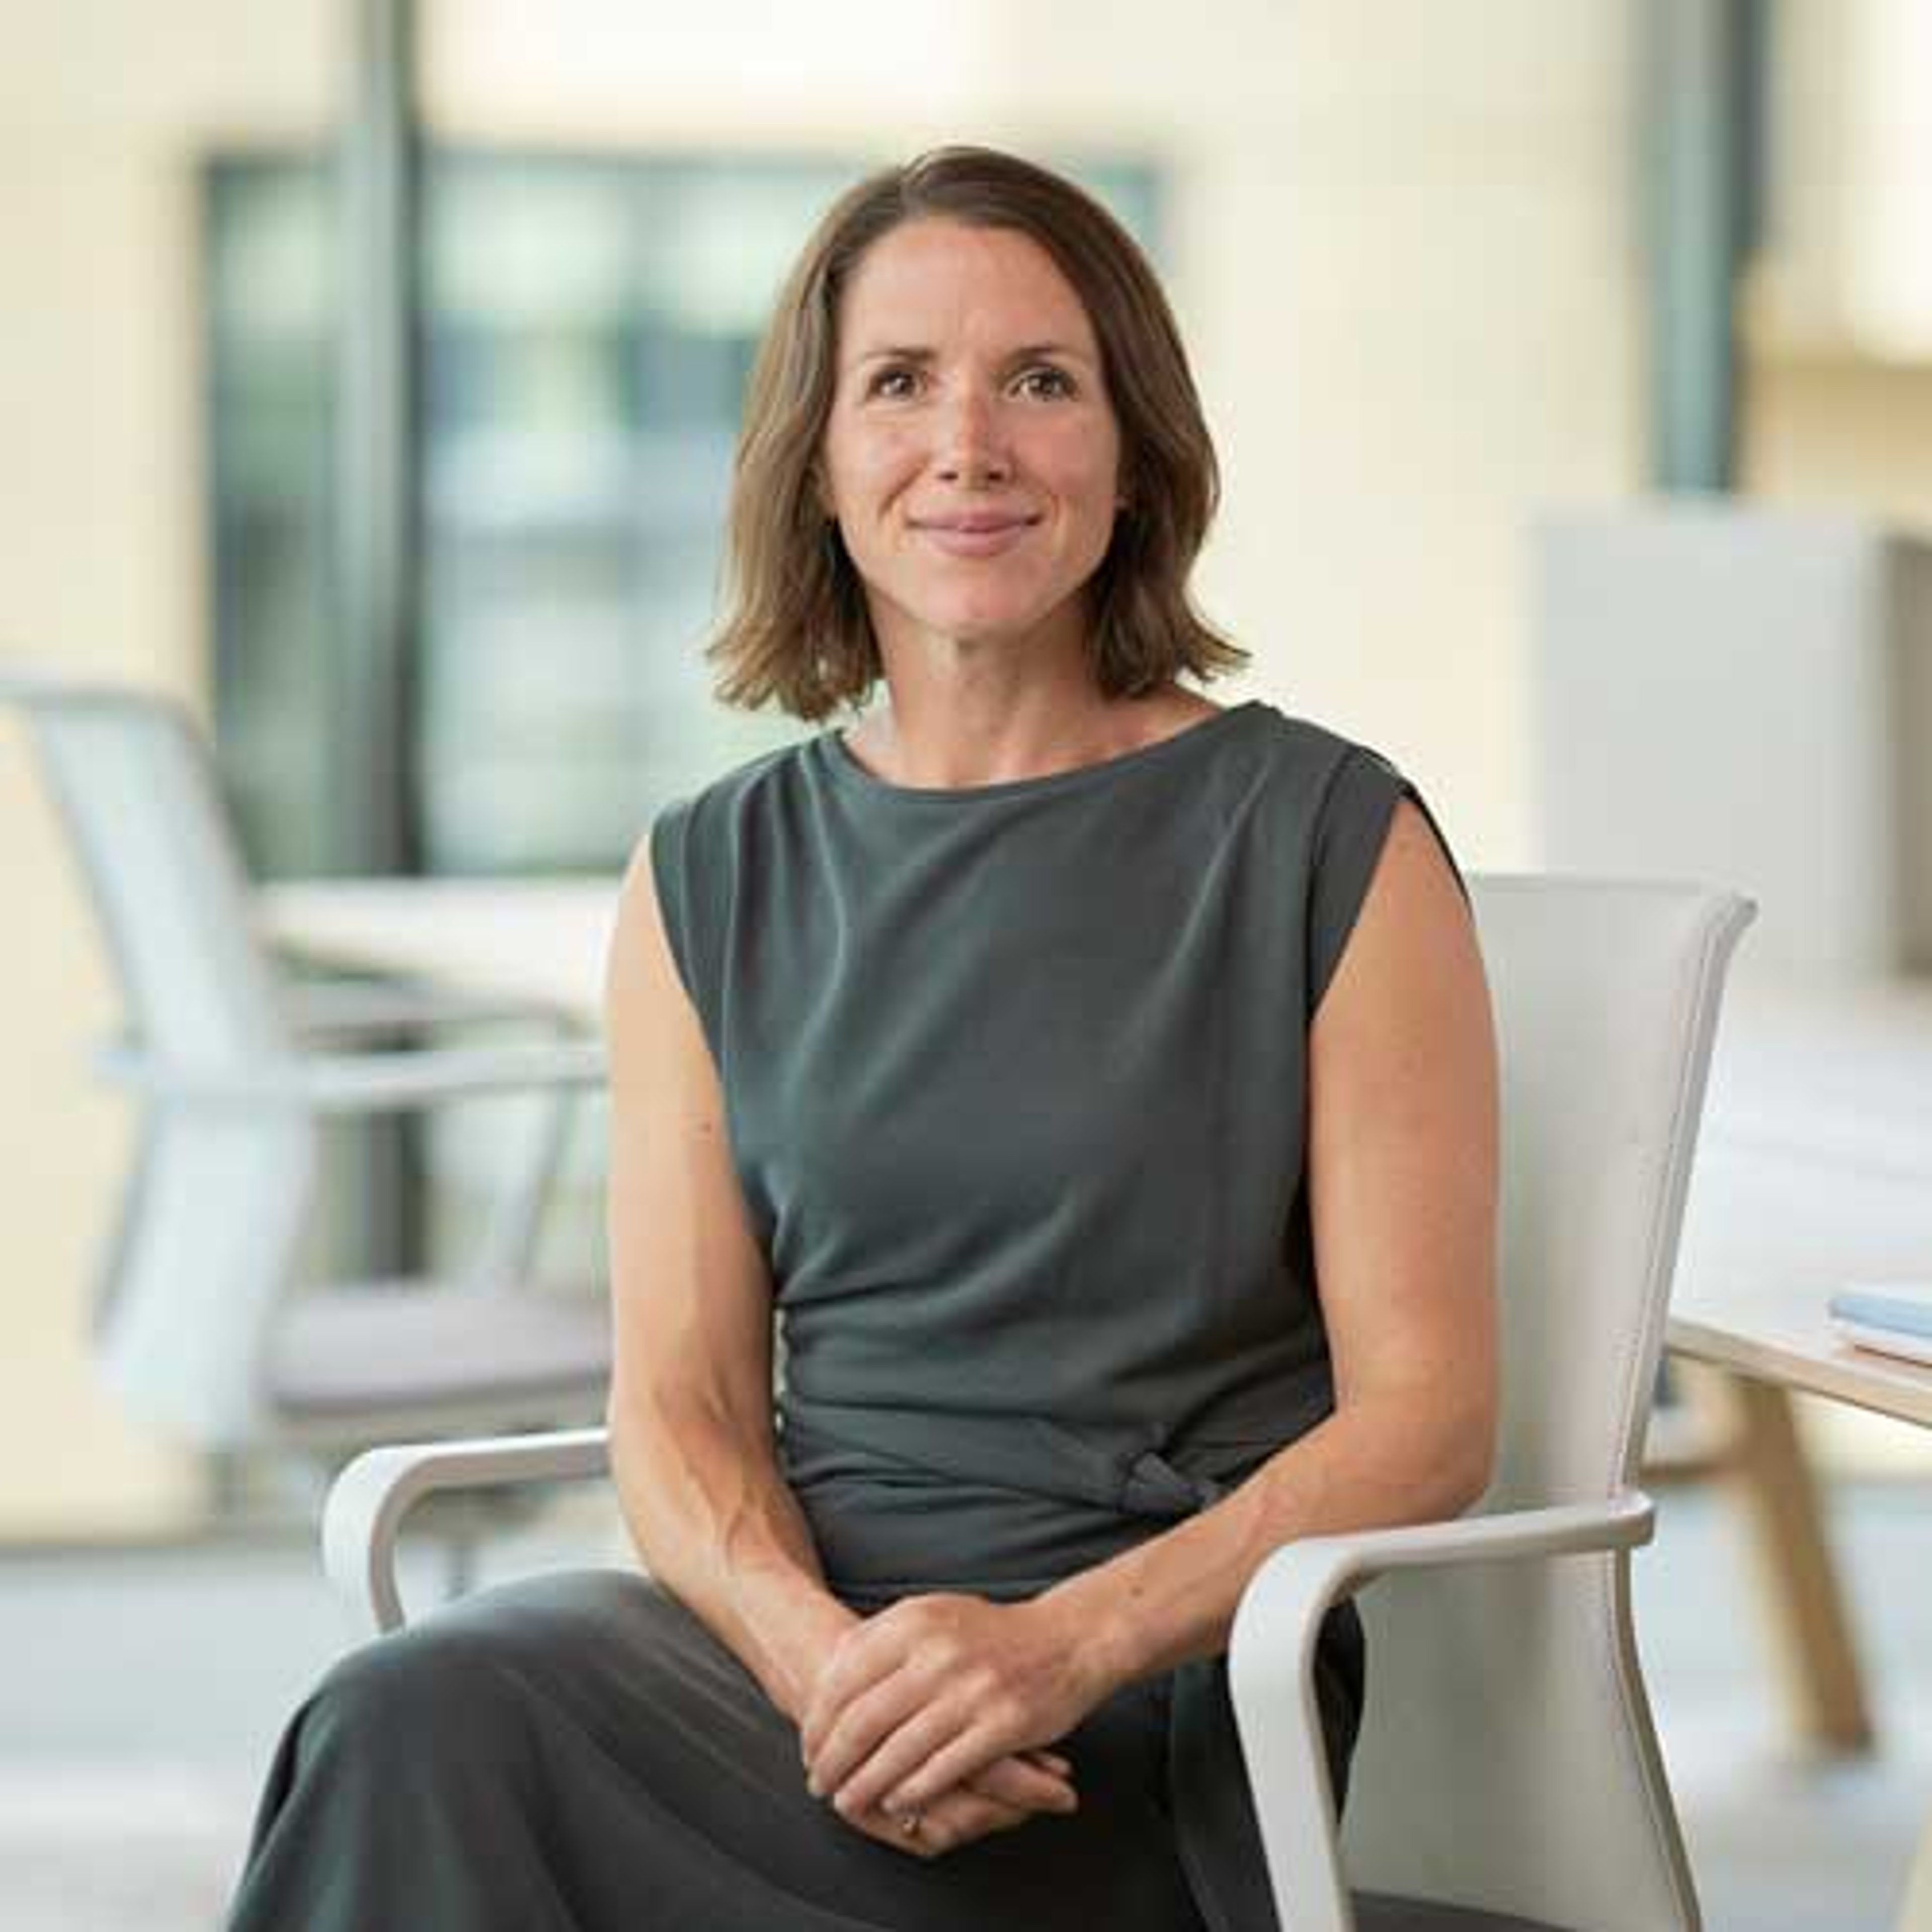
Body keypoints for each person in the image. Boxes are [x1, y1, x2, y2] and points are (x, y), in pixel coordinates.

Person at [225, 143, 1499, 1932]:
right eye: (899, 384)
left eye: (1040, 382)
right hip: (797, 1672)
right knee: (413, 1721)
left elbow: (1430, 1420)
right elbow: (676, 1409)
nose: (967, 446)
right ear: (817, 465)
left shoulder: (1329, 842)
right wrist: (827, 1670)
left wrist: (1054, 1651)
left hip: (1142, 1701)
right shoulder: (706, 876)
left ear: (1132, 453)